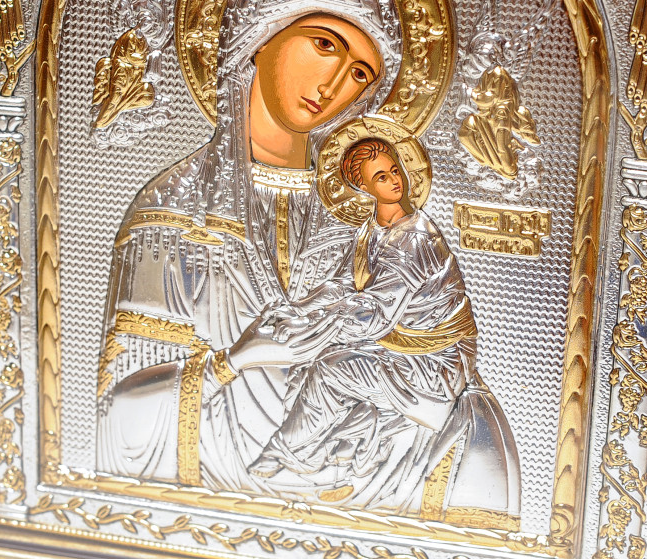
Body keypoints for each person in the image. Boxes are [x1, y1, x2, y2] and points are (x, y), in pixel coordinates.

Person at [96, 0, 402, 494]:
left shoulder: (360, 224)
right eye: (324, 45)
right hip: (209, 477)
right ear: (260, 39)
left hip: (341, 474)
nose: (333, 85)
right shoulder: (172, 210)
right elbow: (118, 413)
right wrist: (233, 362)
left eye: (360, 74)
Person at [248, 137, 520, 524]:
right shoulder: (371, 231)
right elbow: (343, 285)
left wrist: (313, 325)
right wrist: (300, 309)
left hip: (435, 359)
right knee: (319, 360)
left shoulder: (415, 237)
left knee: (328, 370)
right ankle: (338, 454)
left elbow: (377, 314)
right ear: (363, 186)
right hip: (398, 346)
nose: (394, 180)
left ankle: (287, 456)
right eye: (381, 177)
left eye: (395, 170)